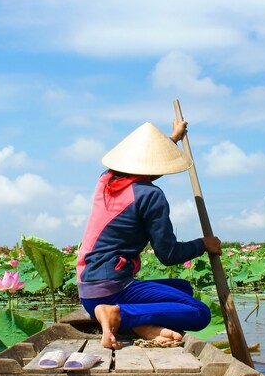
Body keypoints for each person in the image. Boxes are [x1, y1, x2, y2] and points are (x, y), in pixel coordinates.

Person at [76, 119, 221, 349]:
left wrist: (172, 139)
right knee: (199, 311)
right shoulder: (151, 196)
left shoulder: (106, 180)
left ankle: (137, 323)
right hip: (112, 290)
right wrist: (204, 244)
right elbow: (169, 254)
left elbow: (146, 165)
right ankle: (120, 315)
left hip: (87, 292)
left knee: (182, 288)